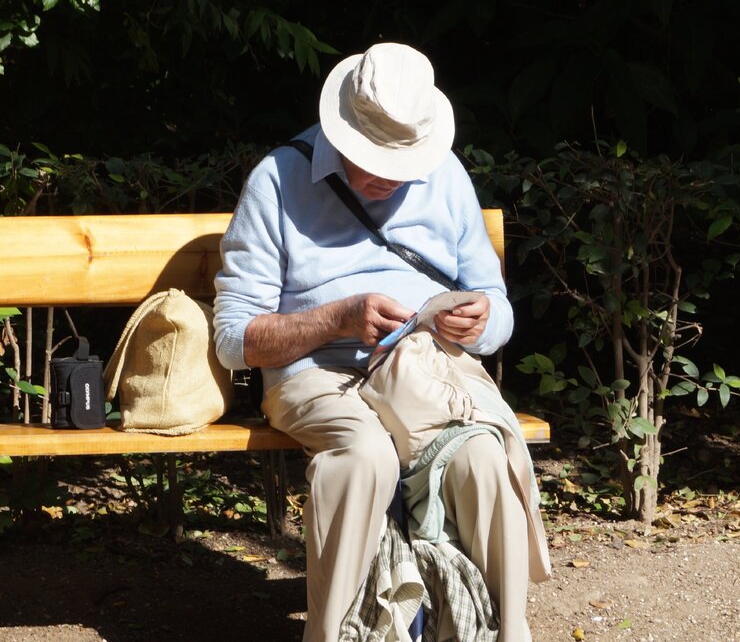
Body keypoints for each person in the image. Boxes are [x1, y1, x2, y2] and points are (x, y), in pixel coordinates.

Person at [213, 42, 550, 641]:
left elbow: (496, 314)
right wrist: (336, 318)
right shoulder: (277, 180)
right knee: (364, 456)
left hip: (428, 371)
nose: (385, 177)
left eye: (401, 163)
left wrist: (478, 322)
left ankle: (498, 633)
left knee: (482, 460)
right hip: (318, 376)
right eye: (371, 158)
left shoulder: (445, 176)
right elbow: (235, 339)